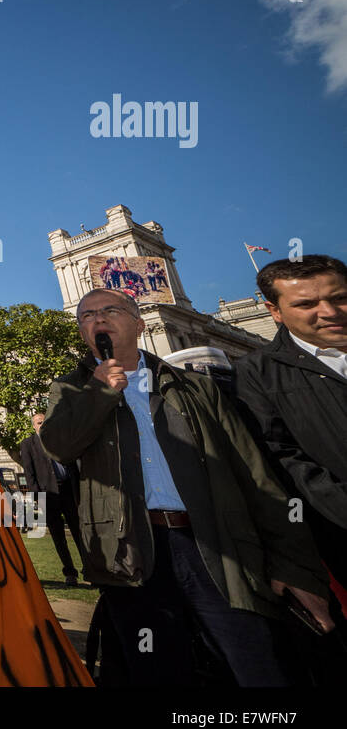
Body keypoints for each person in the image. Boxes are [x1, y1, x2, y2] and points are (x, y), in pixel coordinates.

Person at [40, 287, 333, 686]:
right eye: (87, 315)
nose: (98, 319)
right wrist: (100, 392)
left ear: (140, 324)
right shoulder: (71, 390)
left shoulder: (197, 388)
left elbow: (255, 476)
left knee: (255, 665)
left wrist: (292, 566)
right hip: (131, 554)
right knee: (158, 669)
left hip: (217, 545)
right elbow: (58, 445)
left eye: (110, 310)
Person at [235, 255, 347, 599]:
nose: (329, 312)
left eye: (340, 298)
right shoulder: (256, 374)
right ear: (275, 312)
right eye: (307, 304)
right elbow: (280, 461)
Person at [18, 413, 81, 586]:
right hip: (48, 496)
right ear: (34, 426)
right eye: (39, 423)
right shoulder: (28, 444)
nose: (42, 425)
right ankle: (70, 573)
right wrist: (37, 497)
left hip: (68, 491)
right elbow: (29, 475)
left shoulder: (61, 440)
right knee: (58, 536)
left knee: (79, 532)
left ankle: (90, 569)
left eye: (45, 421)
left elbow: (73, 466)